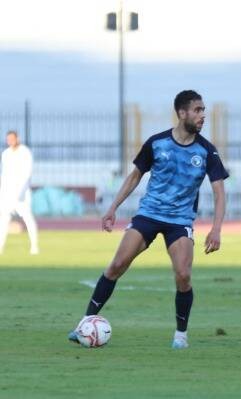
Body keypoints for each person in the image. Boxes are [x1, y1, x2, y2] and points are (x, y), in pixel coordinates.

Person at [68, 90, 229, 348]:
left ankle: (180, 335)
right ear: (182, 113)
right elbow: (135, 176)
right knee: (117, 264)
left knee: (183, 275)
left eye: (203, 111)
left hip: (179, 221)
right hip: (148, 215)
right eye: (197, 110)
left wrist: (216, 229)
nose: (202, 116)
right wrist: (113, 208)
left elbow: (220, 192)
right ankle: (85, 324)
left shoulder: (207, 151)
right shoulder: (157, 143)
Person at [0, 130, 39, 255]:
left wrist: (21, 191)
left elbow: (28, 173)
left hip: (22, 193)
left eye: (12, 139)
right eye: (8, 139)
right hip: (7, 193)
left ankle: (34, 246)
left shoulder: (25, 152)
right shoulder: (6, 154)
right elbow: (4, 174)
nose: (10, 141)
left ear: (17, 138)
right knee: (3, 220)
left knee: (27, 218)